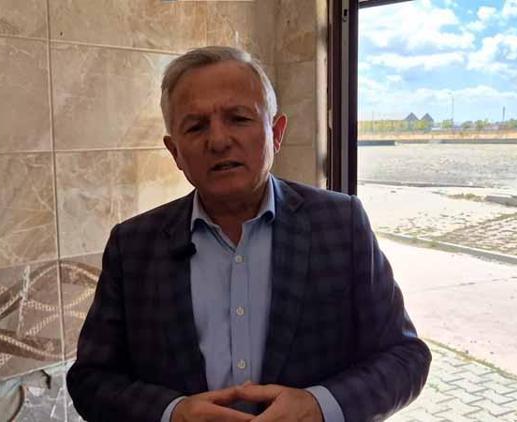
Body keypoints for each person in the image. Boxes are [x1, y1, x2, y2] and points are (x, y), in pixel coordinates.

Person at [67, 46, 431, 422]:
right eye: (196, 127)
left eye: (238, 118)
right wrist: (171, 414)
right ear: (175, 151)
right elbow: (91, 380)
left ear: (276, 133)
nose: (218, 140)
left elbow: (405, 357)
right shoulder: (133, 246)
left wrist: (320, 407)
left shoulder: (340, 223)